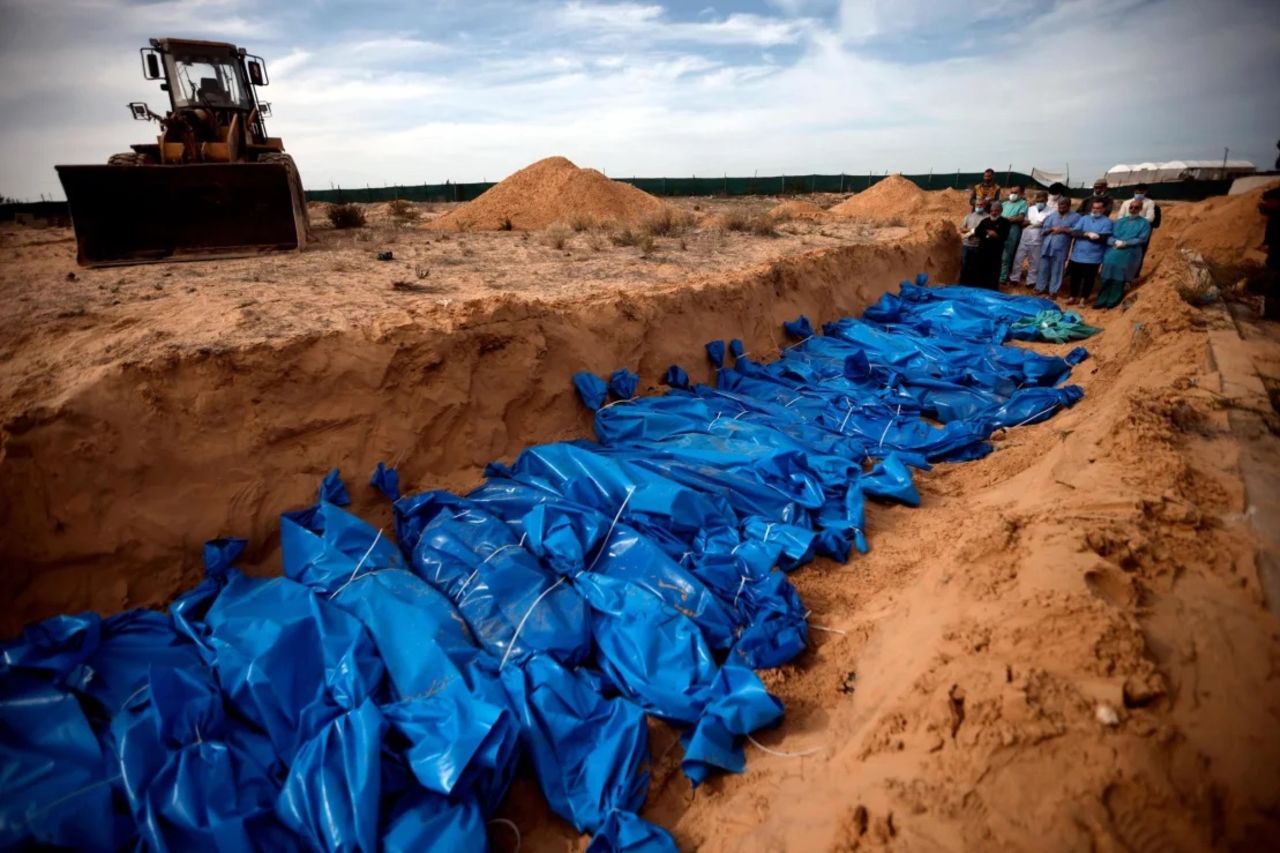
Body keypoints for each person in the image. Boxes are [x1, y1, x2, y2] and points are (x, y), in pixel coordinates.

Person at [1095, 199, 1153, 308]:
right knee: (1106, 274)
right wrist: (1114, 241)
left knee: (1119, 277)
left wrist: (1126, 243)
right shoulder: (1120, 221)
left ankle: (1112, 301)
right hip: (1113, 250)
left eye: (1136, 207)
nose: (1133, 209)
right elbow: (1110, 235)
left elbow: (1142, 239)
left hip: (1129, 253)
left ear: (1140, 209)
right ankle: (1101, 300)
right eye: (1131, 207)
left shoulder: (1144, 224)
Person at [1066, 199, 1114, 304]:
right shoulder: (1084, 219)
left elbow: (1104, 237)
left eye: (1098, 208)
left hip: (1093, 257)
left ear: (1103, 209)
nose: (1095, 210)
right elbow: (1074, 232)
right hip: (1078, 255)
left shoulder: (1107, 222)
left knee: (1089, 279)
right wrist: (1087, 234)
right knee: (1075, 277)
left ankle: (1084, 298)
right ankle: (1072, 296)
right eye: (1094, 208)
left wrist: (1097, 236)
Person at [1036, 196, 1081, 298]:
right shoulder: (1052, 216)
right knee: (1043, 268)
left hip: (1061, 248)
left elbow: (1077, 231)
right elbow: (1043, 230)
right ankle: (1040, 287)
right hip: (1047, 246)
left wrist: (1063, 230)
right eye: (1060, 205)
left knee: (1057, 269)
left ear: (1069, 206)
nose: (1061, 207)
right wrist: (1051, 229)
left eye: (1064, 205)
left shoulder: (1076, 217)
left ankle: (1053, 291)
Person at [1009, 190, 1049, 287]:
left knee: (1034, 261)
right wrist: (1035, 223)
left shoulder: (1051, 211)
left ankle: (1031, 281)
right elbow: (1023, 222)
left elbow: (1046, 224)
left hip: (1038, 239)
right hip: (1025, 237)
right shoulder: (1030, 209)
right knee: (1018, 259)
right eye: (1038, 200)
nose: (1040, 202)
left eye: (1042, 200)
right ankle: (1014, 278)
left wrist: (1032, 222)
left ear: (1046, 200)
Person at [974, 200, 1011, 289]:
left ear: (1000, 211)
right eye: (992, 211)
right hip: (983, 250)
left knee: (993, 270)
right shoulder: (984, 221)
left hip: (996, 251)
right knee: (981, 269)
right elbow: (977, 231)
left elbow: (1004, 236)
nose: (994, 213)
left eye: (996, 211)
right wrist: (987, 232)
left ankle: (992, 288)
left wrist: (996, 235)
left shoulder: (1005, 222)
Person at [998, 184, 1029, 285]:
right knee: (998, 252)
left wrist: (1009, 219)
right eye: (1012, 192)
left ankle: (1003, 277)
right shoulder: (1005, 204)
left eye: (1016, 193)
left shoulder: (1023, 204)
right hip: (1001, 229)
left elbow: (1021, 217)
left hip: (1012, 230)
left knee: (1007, 255)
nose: (1013, 194)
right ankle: (996, 273)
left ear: (1021, 194)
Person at [959, 201, 988, 285]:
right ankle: (964, 283)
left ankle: (976, 284)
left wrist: (977, 231)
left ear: (985, 205)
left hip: (980, 245)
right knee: (965, 265)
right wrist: (972, 230)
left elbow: (986, 230)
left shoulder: (987, 217)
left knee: (978, 265)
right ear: (975, 205)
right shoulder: (969, 217)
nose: (979, 206)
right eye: (977, 205)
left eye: (981, 204)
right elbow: (962, 229)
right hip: (967, 245)